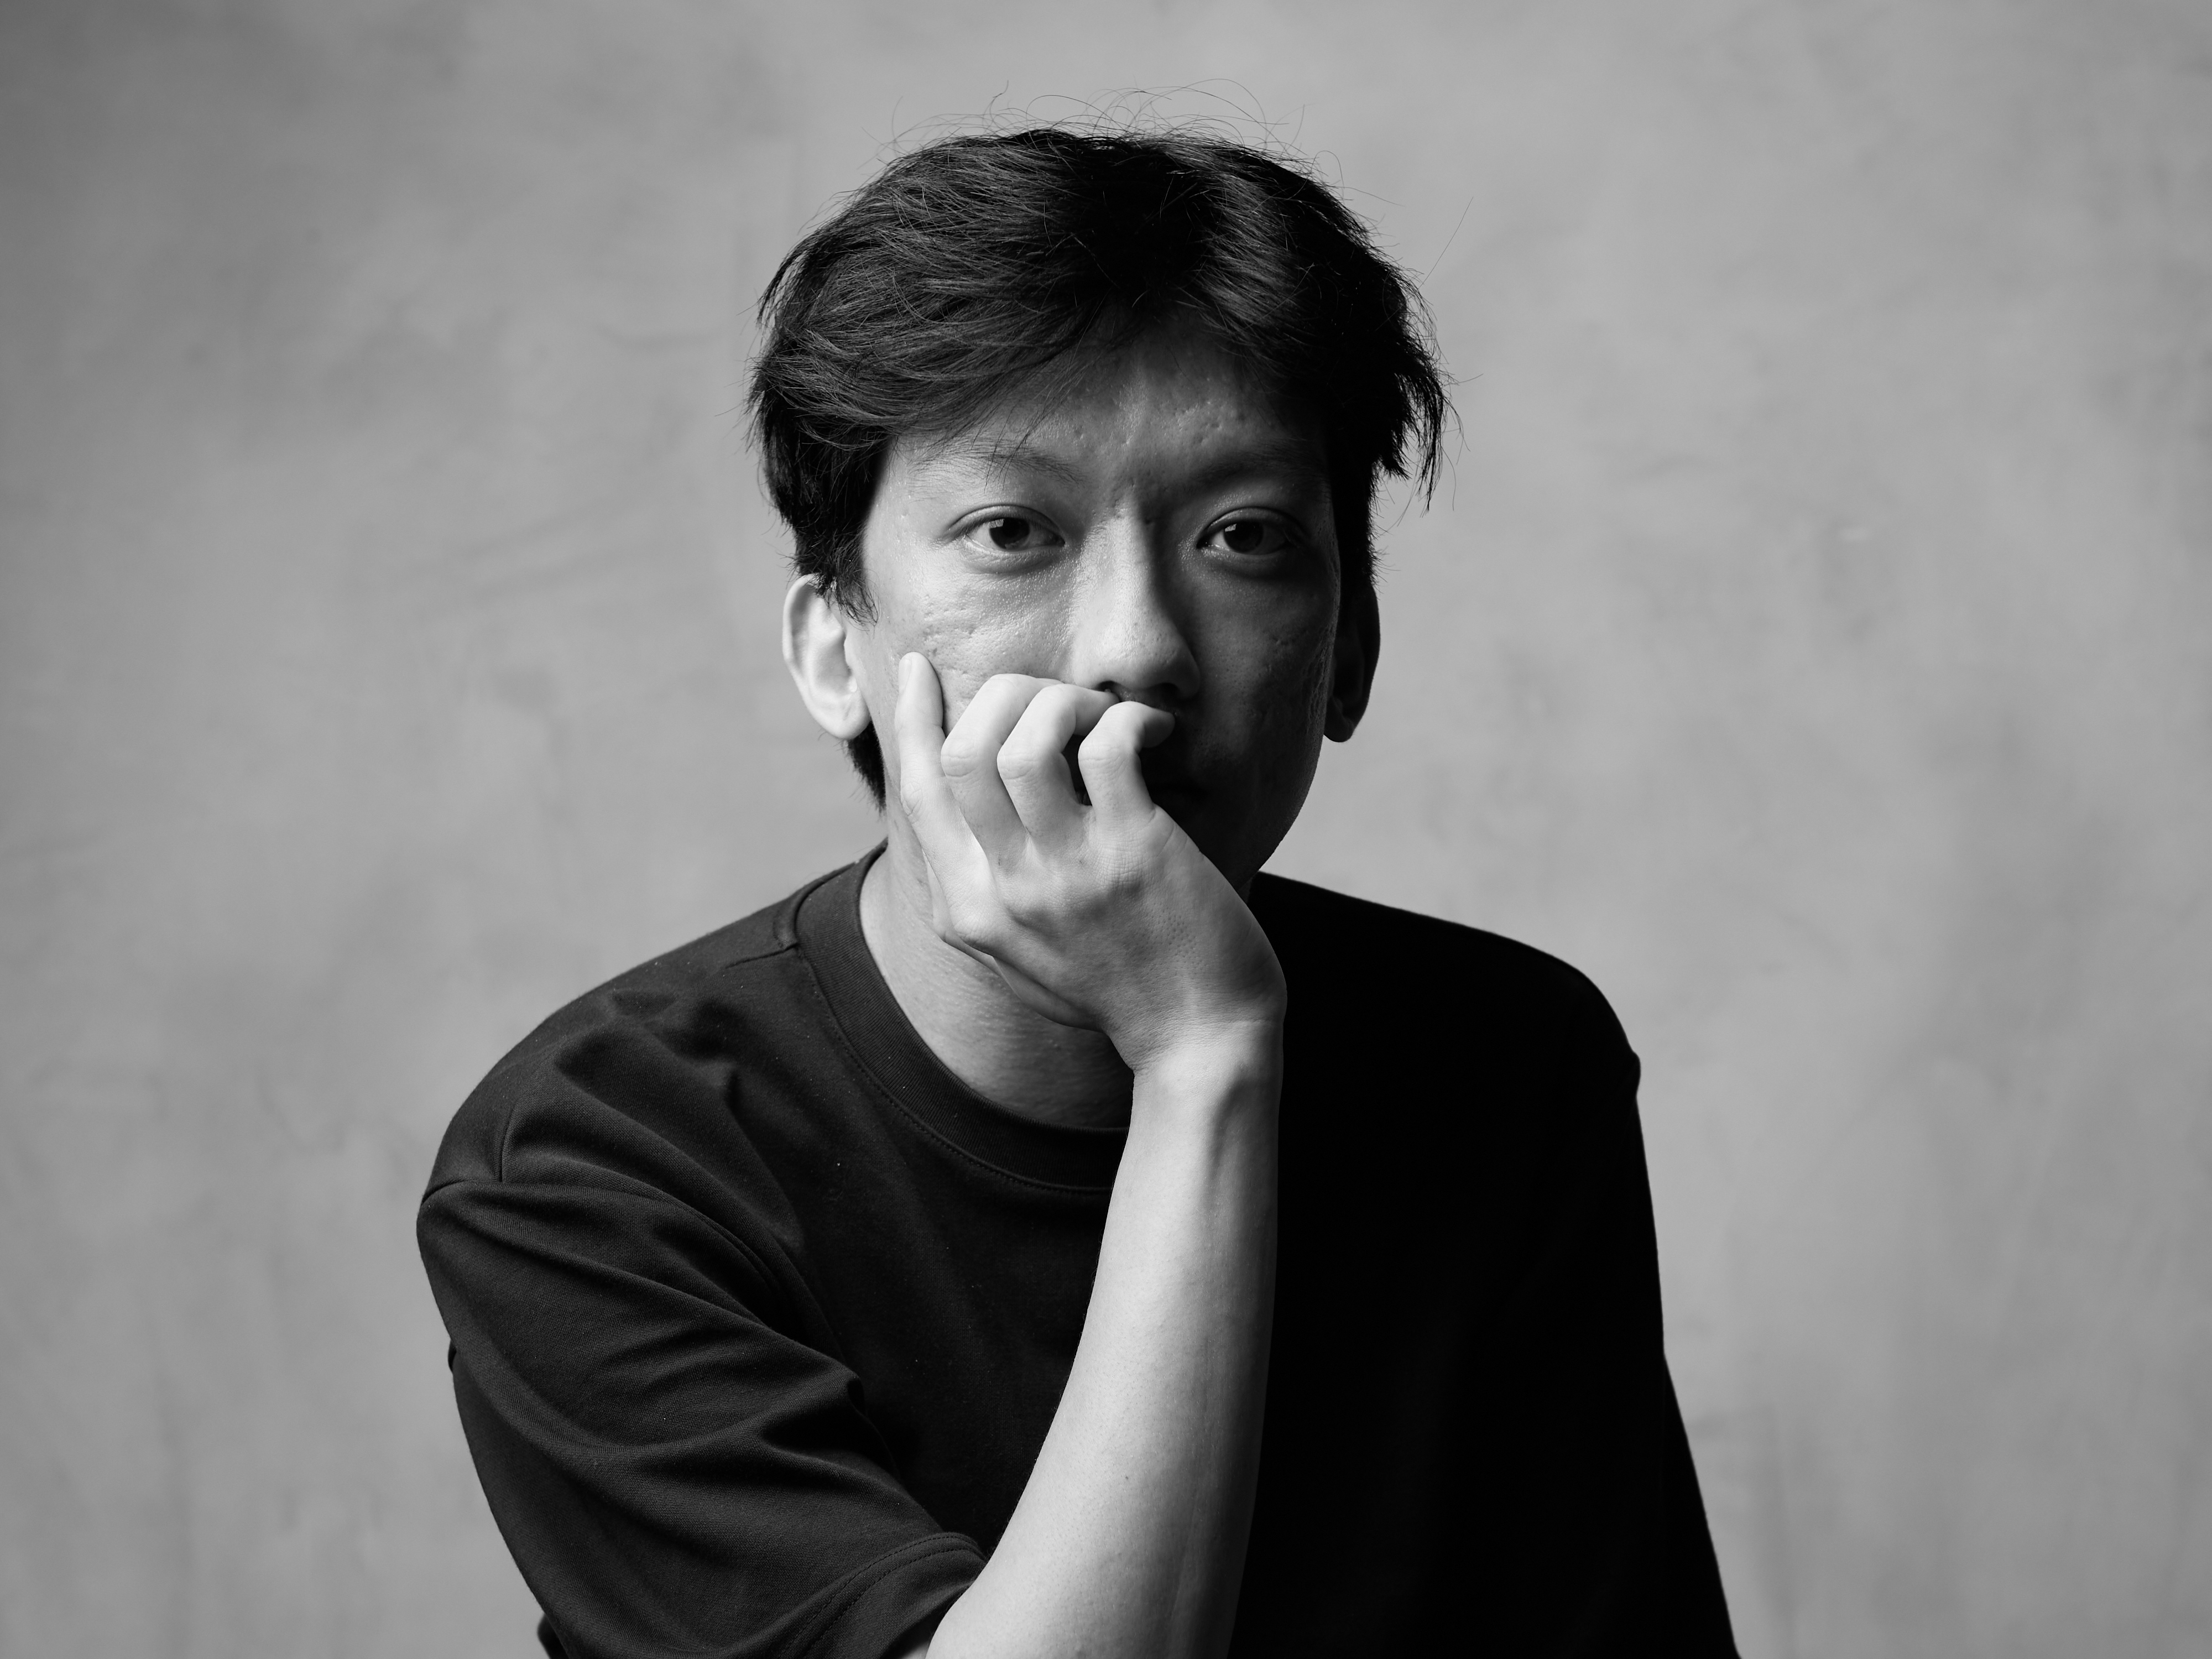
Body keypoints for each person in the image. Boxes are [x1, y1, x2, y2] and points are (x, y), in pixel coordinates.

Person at [418, 125, 1738, 1659]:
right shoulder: (593, 1165)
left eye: (1242, 537)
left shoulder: (1506, 1065)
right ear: (835, 651)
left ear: (1351, 652)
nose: (1135, 649)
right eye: (1013, 533)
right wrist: (1200, 1054)